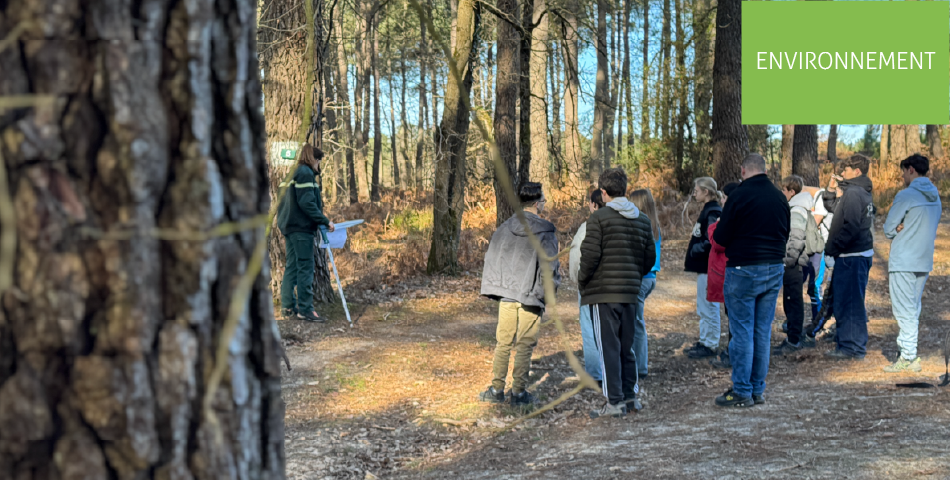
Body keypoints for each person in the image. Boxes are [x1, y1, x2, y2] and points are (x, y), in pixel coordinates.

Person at [712, 153, 789, 407]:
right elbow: (785, 232)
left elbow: (721, 239)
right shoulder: (779, 196)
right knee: (762, 330)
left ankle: (742, 389)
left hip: (743, 268)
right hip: (774, 267)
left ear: (743, 170)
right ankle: (757, 389)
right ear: (764, 170)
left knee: (742, 331)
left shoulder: (739, 196)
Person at [579, 168, 656, 418]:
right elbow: (649, 259)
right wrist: (632, 277)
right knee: (627, 346)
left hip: (603, 293)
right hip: (630, 293)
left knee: (608, 348)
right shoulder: (643, 220)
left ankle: (614, 402)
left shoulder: (598, 219)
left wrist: (583, 282)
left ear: (603, 192)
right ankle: (631, 397)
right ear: (625, 188)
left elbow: (589, 257)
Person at [479, 182, 561, 405]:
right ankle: (518, 393)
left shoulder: (505, 227)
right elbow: (550, 267)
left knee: (503, 342)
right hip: (531, 295)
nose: (544, 204)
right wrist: (548, 293)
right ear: (537, 203)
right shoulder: (545, 231)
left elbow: (493, 258)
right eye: (543, 200)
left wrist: (497, 288)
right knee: (524, 344)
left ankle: (497, 390)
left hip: (507, 294)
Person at [883, 154, 942, 372]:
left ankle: (908, 355)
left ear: (911, 170)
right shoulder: (935, 196)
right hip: (923, 258)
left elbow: (888, 228)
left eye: (903, 172)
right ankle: (908, 351)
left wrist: (899, 227)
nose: (901, 176)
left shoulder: (906, 195)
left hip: (903, 259)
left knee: (904, 309)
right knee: (913, 307)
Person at [822, 154, 875, 361]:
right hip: (854, 255)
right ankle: (848, 343)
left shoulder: (854, 193)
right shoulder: (858, 192)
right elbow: (836, 210)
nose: (842, 172)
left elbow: (850, 226)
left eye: (846, 170)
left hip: (852, 256)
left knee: (850, 302)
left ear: (857, 171)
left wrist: (833, 248)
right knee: (846, 300)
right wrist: (831, 190)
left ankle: (852, 348)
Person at [276, 143, 335, 323]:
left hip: (289, 227)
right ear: (314, 159)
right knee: (305, 267)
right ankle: (306, 309)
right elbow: (307, 203)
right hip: (301, 229)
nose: (319, 166)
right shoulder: (305, 173)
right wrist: (325, 221)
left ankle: (287, 306)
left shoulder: (291, 173)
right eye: (319, 161)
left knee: (292, 266)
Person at [569, 189, 607, 384]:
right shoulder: (616, 225)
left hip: (590, 286)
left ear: (593, 205)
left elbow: (576, 258)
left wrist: (576, 280)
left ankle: (595, 374)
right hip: (612, 285)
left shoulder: (587, 228)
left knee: (590, 328)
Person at [683, 177, 723, 359]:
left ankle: (710, 343)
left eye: (697, 190)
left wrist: (697, 249)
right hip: (703, 267)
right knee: (703, 306)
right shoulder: (707, 210)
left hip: (709, 267)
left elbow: (713, 238)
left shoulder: (713, 211)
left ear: (706, 192)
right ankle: (705, 339)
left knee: (709, 306)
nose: (694, 193)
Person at [773, 175, 813, 355]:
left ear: (791, 191)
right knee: (792, 300)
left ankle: (794, 340)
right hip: (795, 263)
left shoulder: (796, 210)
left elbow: (796, 239)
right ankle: (794, 337)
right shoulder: (798, 207)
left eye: (784, 189)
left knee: (793, 301)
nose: (782, 192)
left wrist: (787, 261)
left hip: (794, 264)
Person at [628, 188, 662, 378]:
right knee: (637, 322)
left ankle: (640, 367)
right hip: (651, 278)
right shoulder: (654, 225)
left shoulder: (640, 226)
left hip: (641, 278)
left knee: (636, 323)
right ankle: (639, 365)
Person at [707, 182, 740, 369]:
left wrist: (714, 227)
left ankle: (733, 353)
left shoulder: (730, 218)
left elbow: (718, 242)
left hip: (731, 272)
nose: (721, 200)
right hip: (733, 271)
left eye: (724, 197)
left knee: (735, 316)